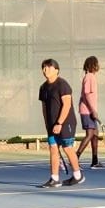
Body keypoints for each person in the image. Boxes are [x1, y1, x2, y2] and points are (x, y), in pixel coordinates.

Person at [37, 58, 84, 189]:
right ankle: (54, 179)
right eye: (43, 67)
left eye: (49, 67)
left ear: (56, 70)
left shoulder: (63, 85)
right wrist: (48, 124)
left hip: (66, 123)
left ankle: (78, 175)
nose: (45, 70)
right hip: (51, 125)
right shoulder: (43, 88)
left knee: (67, 148)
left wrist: (59, 123)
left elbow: (67, 105)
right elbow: (44, 108)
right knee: (53, 148)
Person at [77, 55, 104, 170]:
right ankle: (75, 158)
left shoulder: (91, 77)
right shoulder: (89, 77)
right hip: (87, 111)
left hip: (90, 110)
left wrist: (94, 110)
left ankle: (95, 161)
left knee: (95, 134)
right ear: (92, 65)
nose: (98, 66)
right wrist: (93, 110)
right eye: (96, 64)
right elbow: (87, 94)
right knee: (90, 134)